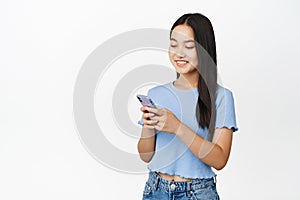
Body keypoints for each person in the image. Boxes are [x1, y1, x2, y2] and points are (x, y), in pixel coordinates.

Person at [137, 13, 238, 200]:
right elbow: (145, 155)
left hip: (197, 193)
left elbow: (219, 159)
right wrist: (148, 127)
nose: (179, 53)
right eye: (173, 44)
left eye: (189, 46)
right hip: (155, 190)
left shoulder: (222, 97)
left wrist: (177, 127)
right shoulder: (156, 94)